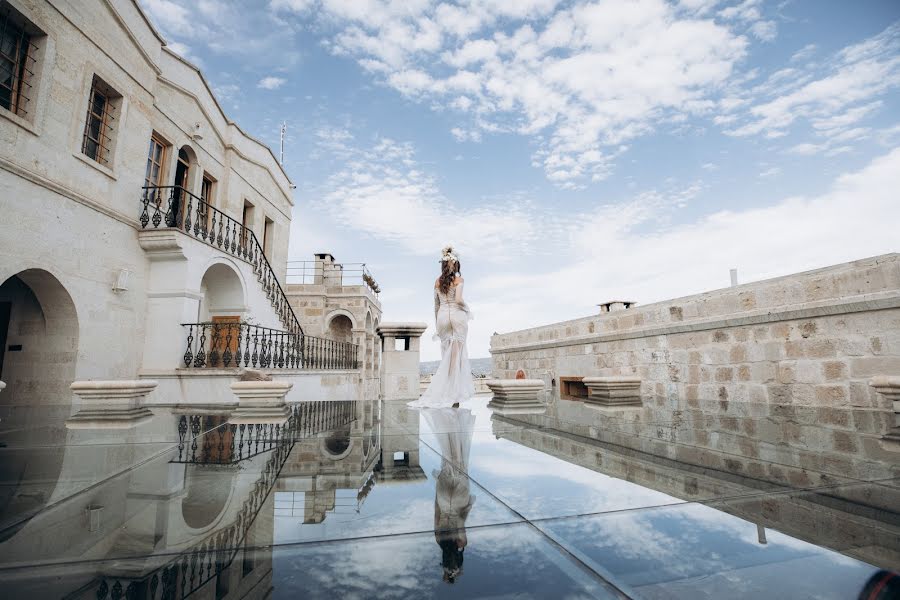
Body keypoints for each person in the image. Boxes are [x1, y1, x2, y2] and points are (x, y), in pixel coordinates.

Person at [408, 246, 474, 408]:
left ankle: (446, 391)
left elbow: (436, 306)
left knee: (446, 356)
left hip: (442, 318)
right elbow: (458, 300)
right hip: (457, 318)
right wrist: (467, 309)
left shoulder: (437, 282)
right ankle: (454, 395)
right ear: (455, 264)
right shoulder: (459, 281)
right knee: (456, 358)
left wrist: (438, 326)